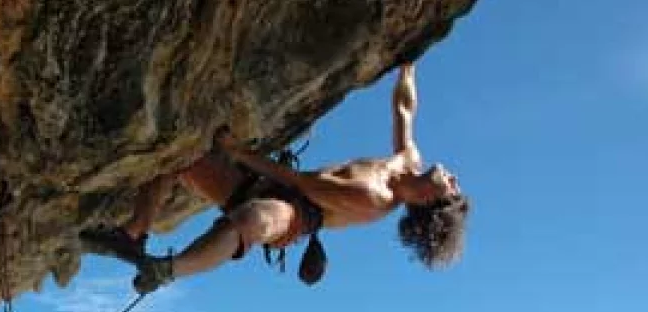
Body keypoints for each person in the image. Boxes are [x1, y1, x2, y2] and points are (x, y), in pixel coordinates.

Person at [81, 63, 469, 294]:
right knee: (182, 154)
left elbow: (299, 183)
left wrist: (237, 153)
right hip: (271, 186)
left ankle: (166, 271)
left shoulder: (373, 197)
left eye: (451, 188)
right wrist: (408, 65)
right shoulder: (408, 160)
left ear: (427, 200)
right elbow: (404, 108)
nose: (453, 178)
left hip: (296, 214)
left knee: (252, 220)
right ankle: (132, 234)